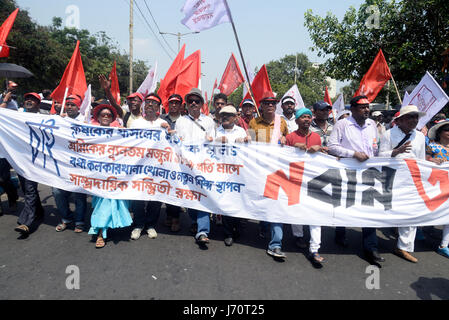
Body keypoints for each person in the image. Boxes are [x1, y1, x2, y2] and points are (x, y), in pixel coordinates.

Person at [328, 95, 385, 264]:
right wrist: (353, 154)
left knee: (369, 207)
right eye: (362, 107)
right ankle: (340, 234)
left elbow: (375, 146)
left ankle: (371, 247)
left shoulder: (372, 124)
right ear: (352, 109)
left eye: (367, 106)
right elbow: (332, 147)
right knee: (346, 204)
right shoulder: (342, 124)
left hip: (369, 172)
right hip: (348, 171)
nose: (366, 110)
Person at [379, 105, 426, 263]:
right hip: (392, 178)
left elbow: (422, 159)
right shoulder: (388, 134)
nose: (414, 120)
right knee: (387, 209)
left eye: (416, 117)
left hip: (412, 179)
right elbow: (380, 156)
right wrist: (396, 152)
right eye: (410, 117)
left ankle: (403, 246)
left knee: (411, 211)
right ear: (399, 120)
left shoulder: (419, 137)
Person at [248, 91, 288, 259]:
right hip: (258, 170)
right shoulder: (253, 122)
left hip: (276, 171)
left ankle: (275, 244)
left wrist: (286, 139)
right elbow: (248, 145)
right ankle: (264, 226)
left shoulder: (282, 122)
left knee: (275, 206)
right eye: (267, 103)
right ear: (261, 106)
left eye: (273, 103)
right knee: (263, 202)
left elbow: (287, 140)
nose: (270, 105)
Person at [88, 104, 133, 248]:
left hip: (116, 174)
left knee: (111, 201)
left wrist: (126, 135)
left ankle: (102, 231)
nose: (106, 116)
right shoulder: (89, 131)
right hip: (98, 175)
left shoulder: (118, 132)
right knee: (101, 202)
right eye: (103, 114)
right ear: (98, 117)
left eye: (109, 114)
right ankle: (101, 230)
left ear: (113, 117)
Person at [286, 108, 326, 265]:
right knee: (297, 209)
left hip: (314, 181)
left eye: (309, 117)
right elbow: (281, 157)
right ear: (296, 121)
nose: (307, 120)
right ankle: (298, 235)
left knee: (316, 215)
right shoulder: (290, 137)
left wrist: (320, 149)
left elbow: (324, 157)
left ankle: (315, 249)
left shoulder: (317, 137)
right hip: (295, 180)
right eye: (303, 117)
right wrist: (292, 148)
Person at [175, 88, 215, 245]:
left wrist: (212, 140)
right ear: (187, 104)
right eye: (190, 101)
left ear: (201, 104)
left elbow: (215, 143)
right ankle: (195, 221)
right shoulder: (181, 121)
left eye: (196, 101)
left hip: (204, 166)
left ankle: (203, 231)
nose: (193, 103)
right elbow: (177, 142)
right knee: (190, 196)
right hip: (185, 166)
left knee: (203, 196)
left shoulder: (209, 122)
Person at [129, 93, 169, 240]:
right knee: (138, 197)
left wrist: (169, 132)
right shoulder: (136, 123)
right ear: (144, 106)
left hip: (158, 168)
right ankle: (138, 225)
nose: (150, 105)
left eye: (154, 103)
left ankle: (151, 224)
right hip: (139, 167)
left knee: (156, 197)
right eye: (148, 102)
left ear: (158, 107)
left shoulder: (163, 124)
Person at [214, 104, 250, 246]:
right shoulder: (216, 131)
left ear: (235, 117)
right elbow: (206, 144)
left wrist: (246, 141)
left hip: (238, 172)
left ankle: (237, 228)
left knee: (238, 201)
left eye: (229, 115)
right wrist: (216, 141)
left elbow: (254, 146)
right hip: (221, 172)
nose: (225, 117)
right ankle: (228, 233)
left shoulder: (242, 131)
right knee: (226, 202)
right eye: (223, 115)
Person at [53, 95, 87, 233]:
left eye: (73, 105)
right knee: (57, 192)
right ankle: (66, 218)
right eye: (67, 105)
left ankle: (79, 221)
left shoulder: (86, 121)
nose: (69, 107)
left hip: (79, 164)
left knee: (79, 194)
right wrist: (58, 121)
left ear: (78, 107)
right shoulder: (60, 120)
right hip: (62, 163)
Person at [14, 93, 45, 236]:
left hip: (36, 161)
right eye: (27, 99)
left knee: (30, 189)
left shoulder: (43, 118)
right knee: (27, 189)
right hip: (20, 160)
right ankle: (39, 211)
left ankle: (26, 222)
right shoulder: (17, 115)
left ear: (38, 104)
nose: (28, 101)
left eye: (32, 100)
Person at [425, 119, 449, 259]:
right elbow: (424, 159)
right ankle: (419, 230)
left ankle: (443, 245)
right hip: (435, 186)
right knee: (430, 210)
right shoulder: (433, 146)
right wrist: (432, 160)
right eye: (447, 130)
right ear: (440, 133)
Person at [160, 94, 184, 232]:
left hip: (179, 160)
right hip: (164, 159)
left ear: (181, 105)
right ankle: (169, 214)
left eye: (176, 102)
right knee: (167, 187)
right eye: (171, 103)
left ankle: (175, 218)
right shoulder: (161, 119)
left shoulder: (185, 121)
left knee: (176, 188)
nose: (174, 105)